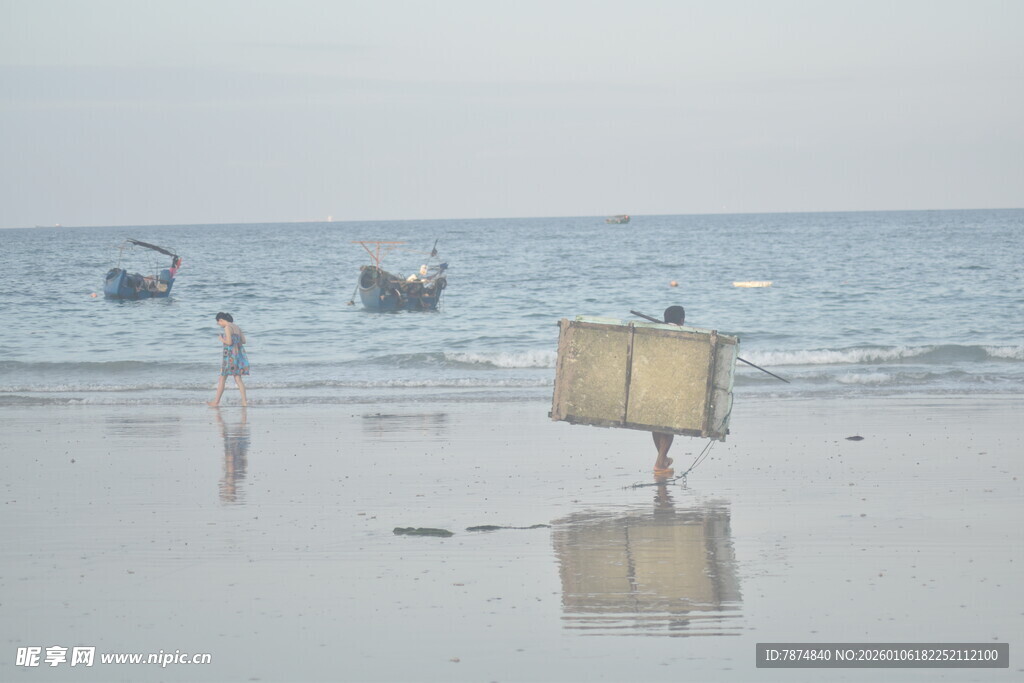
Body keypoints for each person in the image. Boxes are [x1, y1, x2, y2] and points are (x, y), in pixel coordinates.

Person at [652, 305, 685, 474]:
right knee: (669, 426)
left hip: (652, 385)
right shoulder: (684, 336)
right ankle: (659, 463)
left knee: (656, 424)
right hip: (671, 386)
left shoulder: (654, 335)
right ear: (682, 320)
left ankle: (663, 459)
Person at [208, 312, 249, 407]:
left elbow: (229, 342)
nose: (219, 324)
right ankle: (244, 402)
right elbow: (244, 341)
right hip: (238, 355)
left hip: (230, 356)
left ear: (221, 320)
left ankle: (216, 402)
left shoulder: (227, 327)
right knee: (238, 379)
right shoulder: (237, 327)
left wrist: (222, 339)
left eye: (218, 322)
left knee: (222, 378)